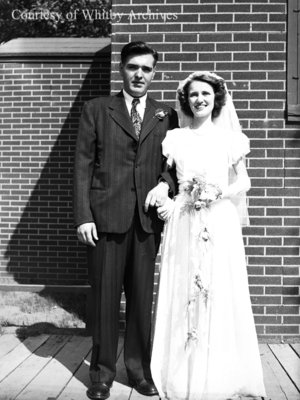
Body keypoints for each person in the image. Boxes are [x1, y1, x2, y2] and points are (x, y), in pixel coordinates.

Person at [150, 71, 266, 400]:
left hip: (219, 221)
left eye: (206, 94)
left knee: (217, 289)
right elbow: (170, 179)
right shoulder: (176, 138)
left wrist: (219, 193)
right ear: (185, 100)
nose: (200, 99)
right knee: (184, 287)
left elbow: (244, 182)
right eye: (193, 94)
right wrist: (169, 202)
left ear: (217, 100)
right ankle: (182, 370)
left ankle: (218, 371)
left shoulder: (230, 139)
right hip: (185, 221)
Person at [73, 41, 178, 400]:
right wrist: (83, 216)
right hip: (105, 220)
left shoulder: (166, 115)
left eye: (147, 69)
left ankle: (138, 372)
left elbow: (174, 166)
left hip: (146, 224)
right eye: (133, 67)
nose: (139, 74)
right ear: (121, 68)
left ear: (154, 73)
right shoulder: (98, 109)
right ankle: (101, 374)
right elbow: (82, 165)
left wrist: (165, 185)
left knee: (140, 300)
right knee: (104, 300)